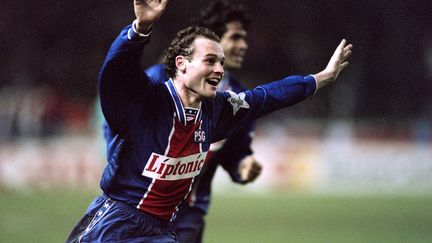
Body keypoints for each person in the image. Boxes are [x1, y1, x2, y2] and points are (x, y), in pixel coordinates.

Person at [66, 0, 352, 242]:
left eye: (221, 63)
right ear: (182, 63)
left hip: (163, 229)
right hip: (115, 223)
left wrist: (319, 79)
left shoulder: (219, 109)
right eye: (210, 61)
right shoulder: (148, 99)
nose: (219, 70)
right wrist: (140, 30)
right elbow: (117, 72)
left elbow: (268, 97)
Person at [145, 2, 262, 242]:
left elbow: (236, 151)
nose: (243, 45)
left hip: (188, 217)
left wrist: (243, 165)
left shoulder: (238, 98)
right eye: (236, 37)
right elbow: (120, 126)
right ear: (213, 40)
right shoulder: (159, 79)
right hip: (141, 210)